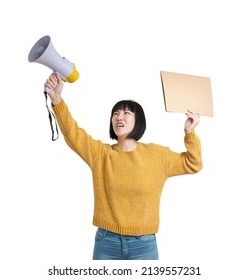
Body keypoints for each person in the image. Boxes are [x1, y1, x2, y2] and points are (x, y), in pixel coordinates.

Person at [44, 73, 203, 260]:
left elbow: (193, 163)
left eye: (127, 113)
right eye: (116, 113)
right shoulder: (101, 155)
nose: (119, 117)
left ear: (138, 120)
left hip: (144, 245)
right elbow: (73, 134)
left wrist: (189, 132)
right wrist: (57, 100)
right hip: (106, 242)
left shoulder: (157, 155)